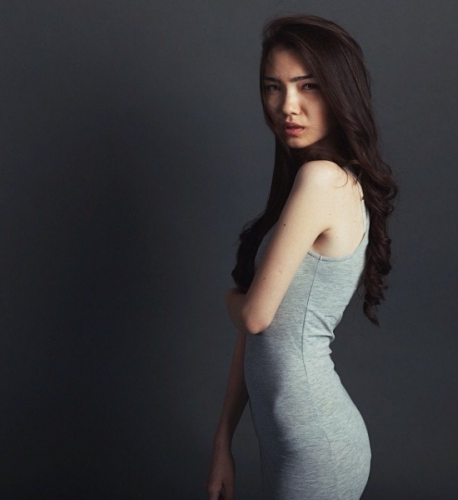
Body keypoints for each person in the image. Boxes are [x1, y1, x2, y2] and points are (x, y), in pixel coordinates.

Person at [205, 14, 398, 500]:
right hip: (291, 444)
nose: (287, 105)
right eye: (274, 87)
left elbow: (254, 317)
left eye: (307, 85)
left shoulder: (322, 181)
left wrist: (229, 298)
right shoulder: (315, 180)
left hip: (318, 445)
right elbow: (257, 340)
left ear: (339, 91)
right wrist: (223, 441)